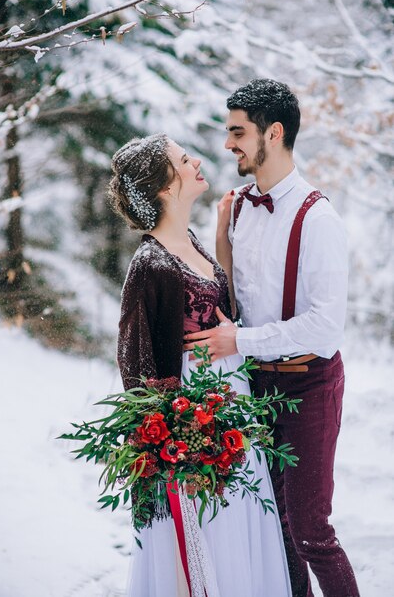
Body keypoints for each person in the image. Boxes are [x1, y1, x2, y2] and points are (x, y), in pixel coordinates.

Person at [183, 79, 360, 597]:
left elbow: (326, 328)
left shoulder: (318, 218)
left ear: (274, 133)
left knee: (311, 531)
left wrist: (240, 342)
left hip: (309, 385)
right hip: (255, 386)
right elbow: (238, 300)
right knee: (277, 526)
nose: (228, 144)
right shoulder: (238, 208)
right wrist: (220, 239)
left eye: (238, 132)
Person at [109, 133, 292, 597]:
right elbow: (135, 362)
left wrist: (222, 228)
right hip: (195, 417)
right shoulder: (149, 264)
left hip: (232, 405)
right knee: (210, 532)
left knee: (241, 525)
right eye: (183, 160)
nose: (195, 163)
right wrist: (172, 438)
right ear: (165, 188)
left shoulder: (191, 242)